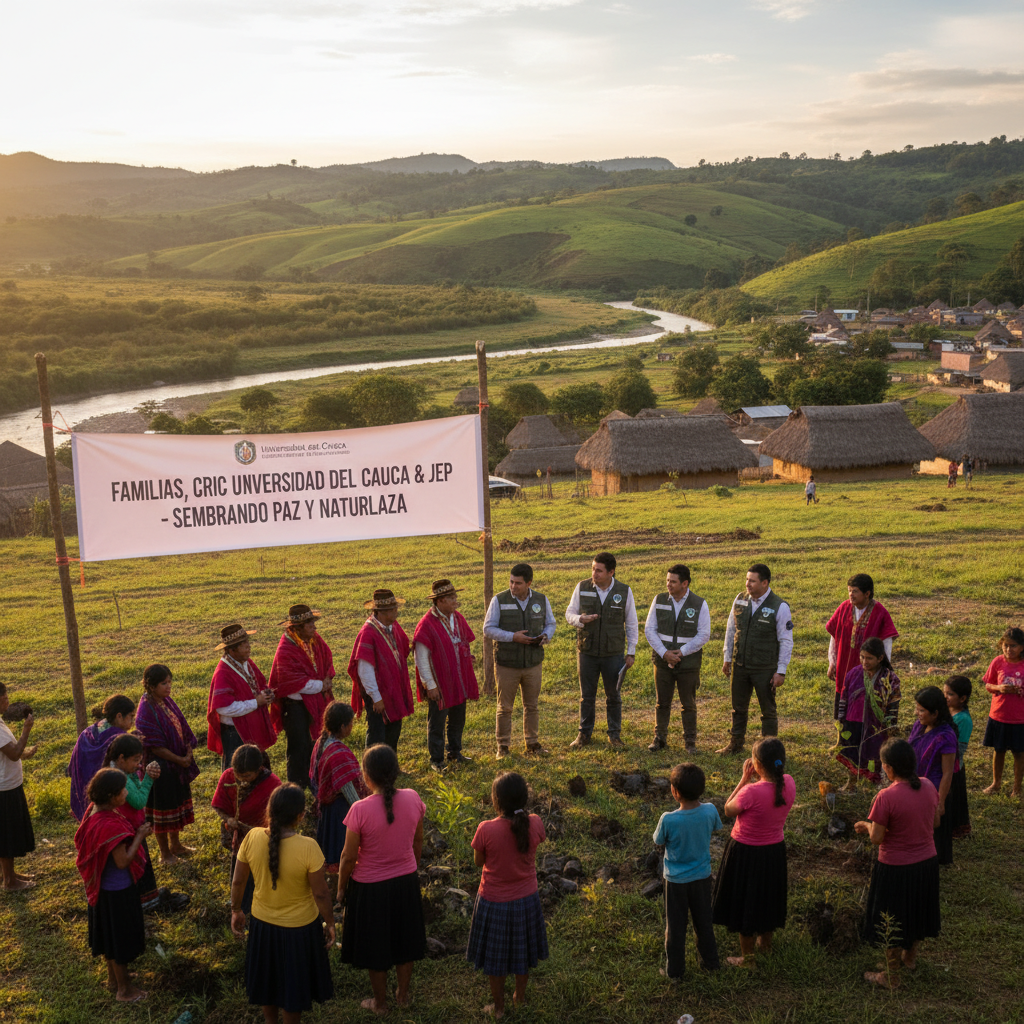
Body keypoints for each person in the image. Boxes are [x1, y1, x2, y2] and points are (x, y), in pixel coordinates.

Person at [231, 783, 335, 1022]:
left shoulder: (252, 837)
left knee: (268, 981)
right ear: (300, 816)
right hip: (300, 931)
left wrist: (236, 910)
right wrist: (330, 922)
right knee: (293, 988)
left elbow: (238, 882)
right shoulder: (308, 847)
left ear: (270, 810)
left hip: (262, 926)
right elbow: (321, 894)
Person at [338, 743, 426, 1015]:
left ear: (366, 777)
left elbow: (348, 858)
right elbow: (418, 839)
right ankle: (402, 995)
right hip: (406, 882)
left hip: (370, 889)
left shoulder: (359, 810)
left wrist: (341, 890)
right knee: (405, 942)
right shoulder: (413, 798)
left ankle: (380, 1003)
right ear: (397, 772)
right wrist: (412, 866)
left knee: (376, 949)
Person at [855, 739, 941, 990]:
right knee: (917, 911)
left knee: (890, 917)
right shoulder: (927, 785)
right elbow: (935, 822)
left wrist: (867, 824)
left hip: (895, 868)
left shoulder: (886, 796)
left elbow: (877, 838)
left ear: (889, 769)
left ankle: (890, 975)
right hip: (926, 864)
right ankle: (910, 958)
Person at [466, 771, 548, 1018]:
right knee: (522, 954)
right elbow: (534, 842)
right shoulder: (535, 822)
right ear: (524, 798)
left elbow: (479, 862)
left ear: (496, 801)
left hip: (494, 902)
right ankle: (519, 998)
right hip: (527, 900)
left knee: (496, 959)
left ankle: (499, 1008)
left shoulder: (486, 829)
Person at [711, 737, 794, 967]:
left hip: (746, 853)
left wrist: (743, 780)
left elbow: (728, 810)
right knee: (768, 898)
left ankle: (747, 958)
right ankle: (765, 944)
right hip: (774, 853)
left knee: (744, 902)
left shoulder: (750, 792)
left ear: (756, 765)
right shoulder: (789, 782)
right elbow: (771, 789)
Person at [73, 768, 151, 1003]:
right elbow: (122, 860)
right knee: (120, 940)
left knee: (109, 938)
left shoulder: (93, 811)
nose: (127, 793)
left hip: (101, 892)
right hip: (117, 890)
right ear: (111, 796)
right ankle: (124, 990)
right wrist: (139, 835)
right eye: (123, 790)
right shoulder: (109, 825)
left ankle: (114, 979)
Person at [654, 763, 721, 981]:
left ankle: (675, 972)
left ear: (675, 792)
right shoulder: (710, 810)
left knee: (675, 928)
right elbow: (716, 827)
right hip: (702, 877)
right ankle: (711, 963)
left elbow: (658, 840)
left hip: (675, 881)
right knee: (703, 922)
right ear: (702, 789)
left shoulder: (668, 819)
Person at [565, 551, 638, 750]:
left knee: (613, 696)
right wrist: (580, 619)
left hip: (613, 653)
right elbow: (569, 613)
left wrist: (630, 652)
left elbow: (631, 623)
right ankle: (584, 734)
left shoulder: (624, 591)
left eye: (599, 570)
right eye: (593, 569)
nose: (594, 574)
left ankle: (614, 735)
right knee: (586, 695)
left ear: (611, 572)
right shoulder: (582, 587)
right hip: (586, 651)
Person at [483, 562, 556, 759]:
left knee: (531, 705)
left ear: (529, 583)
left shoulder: (541, 600)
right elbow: (488, 629)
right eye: (511, 582)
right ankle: (503, 747)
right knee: (505, 707)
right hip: (507, 664)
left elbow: (551, 623)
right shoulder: (499, 600)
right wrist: (512, 636)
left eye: (518, 583)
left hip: (533, 663)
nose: (513, 587)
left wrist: (545, 637)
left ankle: (532, 743)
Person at [718, 564, 793, 755]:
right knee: (738, 708)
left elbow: (785, 640)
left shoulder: (780, 606)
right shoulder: (740, 599)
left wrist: (781, 670)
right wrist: (727, 658)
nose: (747, 584)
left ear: (765, 583)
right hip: (740, 664)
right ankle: (735, 743)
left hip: (765, 668)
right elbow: (731, 630)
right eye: (746, 579)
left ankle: (769, 751)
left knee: (768, 711)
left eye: (752, 580)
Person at [135, 663, 199, 865]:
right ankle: (165, 854)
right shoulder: (146, 709)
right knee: (161, 811)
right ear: (151, 686)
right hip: (158, 768)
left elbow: (181, 726)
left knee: (174, 805)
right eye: (164, 683)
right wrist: (180, 759)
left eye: (170, 682)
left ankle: (176, 845)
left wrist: (186, 751)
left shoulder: (165, 701)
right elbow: (154, 746)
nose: (168, 686)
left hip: (174, 766)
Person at [414, 579, 480, 772]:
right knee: (437, 721)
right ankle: (436, 759)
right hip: (440, 682)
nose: (455, 600)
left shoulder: (456, 617)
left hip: (458, 679)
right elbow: (421, 658)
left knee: (458, 716)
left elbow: (461, 641)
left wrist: (466, 656)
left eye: (455, 596)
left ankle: (454, 751)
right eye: (451, 597)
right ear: (440, 601)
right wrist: (430, 684)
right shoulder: (426, 625)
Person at [644, 564, 711, 752]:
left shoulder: (699, 604)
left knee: (688, 703)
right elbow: (650, 630)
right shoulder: (658, 600)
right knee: (661, 702)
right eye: (667, 581)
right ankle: (659, 739)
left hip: (688, 663)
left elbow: (704, 635)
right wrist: (665, 653)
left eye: (673, 582)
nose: (668, 585)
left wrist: (681, 652)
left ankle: (690, 742)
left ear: (685, 583)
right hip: (663, 662)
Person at [269, 605, 335, 790]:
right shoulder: (286, 650)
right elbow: (293, 683)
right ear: (297, 628)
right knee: (299, 747)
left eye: (313, 622)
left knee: (316, 743)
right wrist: (322, 685)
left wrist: (327, 676)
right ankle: (296, 787)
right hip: (295, 706)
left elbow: (327, 657)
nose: (314, 626)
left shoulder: (314, 640)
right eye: (310, 623)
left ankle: (316, 781)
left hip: (315, 701)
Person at [213, 744, 282, 916]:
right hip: (240, 838)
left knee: (262, 873)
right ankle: (239, 905)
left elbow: (281, 815)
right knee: (240, 874)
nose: (242, 780)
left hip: (264, 839)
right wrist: (228, 819)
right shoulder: (228, 777)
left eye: (247, 776)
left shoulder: (273, 784)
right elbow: (219, 805)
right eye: (239, 775)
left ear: (259, 769)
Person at [348, 590, 415, 752]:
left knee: (395, 726)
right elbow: (365, 670)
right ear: (382, 612)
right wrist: (376, 697)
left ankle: (390, 764)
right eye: (393, 610)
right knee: (377, 730)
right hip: (377, 692)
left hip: (393, 687)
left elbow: (403, 647)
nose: (396, 612)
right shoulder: (368, 633)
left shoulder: (393, 626)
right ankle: (372, 769)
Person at [826, 573, 898, 722]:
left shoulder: (880, 613)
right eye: (849, 590)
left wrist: (882, 670)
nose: (851, 595)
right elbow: (834, 635)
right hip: (844, 669)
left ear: (867, 593)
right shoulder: (843, 608)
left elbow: (887, 643)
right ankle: (841, 741)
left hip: (867, 671)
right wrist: (832, 661)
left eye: (855, 591)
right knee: (842, 709)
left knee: (864, 712)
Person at [105, 733, 165, 912]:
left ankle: (144, 900)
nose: (139, 765)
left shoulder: (122, 771)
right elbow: (138, 801)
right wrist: (149, 778)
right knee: (135, 865)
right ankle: (144, 902)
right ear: (121, 758)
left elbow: (136, 788)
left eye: (141, 760)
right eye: (136, 760)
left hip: (129, 828)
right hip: (128, 831)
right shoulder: (119, 777)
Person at [207, 623, 276, 770]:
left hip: (249, 728)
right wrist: (256, 702)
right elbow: (223, 708)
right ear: (231, 650)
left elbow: (259, 683)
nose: (248, 646)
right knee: (237, 774)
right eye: (243, 644)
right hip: (235, 734)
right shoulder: (223, 673)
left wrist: (267, 694)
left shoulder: (245, 662)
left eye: (247, 642)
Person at [309, 702, 365, 880]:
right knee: (343, 852)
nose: (351, 727)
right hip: (339, 810)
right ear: (342, 726)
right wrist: (362, 810)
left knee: (328, 849)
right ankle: (343, 885)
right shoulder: (338, 753)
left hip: (326, 806)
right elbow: (348, 789)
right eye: (351, 723)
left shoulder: (321, 741)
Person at [835, 637, 901, 789]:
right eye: (862, 657)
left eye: (869, 658)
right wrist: (841, 721)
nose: (864, 661)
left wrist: (890, 726)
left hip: (877, 726)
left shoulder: (890, 679)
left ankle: (876, 786)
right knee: (852, 754)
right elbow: (843, 698)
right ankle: (851, 784)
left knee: (875, 755)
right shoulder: (853, 673)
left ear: (880, 658)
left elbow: (893, 705)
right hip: (853, 722)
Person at [907, 685, 958, 866]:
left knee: (933, 830)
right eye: (917, 709)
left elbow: (947, 773)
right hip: (916, 784)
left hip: (935, 789)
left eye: (922, 710)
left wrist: (941, 801)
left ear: (935, 713)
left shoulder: (946, 736)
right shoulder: (919, 726)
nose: (917, 713)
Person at [67, 695, 136, 822]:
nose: (133, 721)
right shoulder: (119, 739)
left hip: (85, 792)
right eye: (131, 717)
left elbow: (73, 766)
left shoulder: (87, 733)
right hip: (108, 797)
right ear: (119, 716)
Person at [0, 682, 37, 891]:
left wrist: (25, 752)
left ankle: (8, 874)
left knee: (5, 832)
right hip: (5, 788)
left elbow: (10, 751)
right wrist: (26, 730)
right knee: (7, 834)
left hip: (6, 784)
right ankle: (10, 882)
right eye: (5, 697)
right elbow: (13, 754)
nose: (8, 700)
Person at [981, 626, 1024, 799]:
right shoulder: (998, 662)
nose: (1008, 649)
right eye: (1005, 645)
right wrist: (999, 688)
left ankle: (1017, 788)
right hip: (998, 715)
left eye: (1013, 646)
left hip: (1019, 718)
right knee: (998, 751)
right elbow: (988, 684)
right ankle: (996, 783)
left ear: (1022, 647)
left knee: (1019, 753)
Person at [944, 675, 973, 839]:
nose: (945, 697)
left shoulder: (963, 719)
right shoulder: (948, 710)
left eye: (950, 694)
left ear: (962, 698)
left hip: (953, 765)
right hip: (945, 762)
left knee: (954, 798)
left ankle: (956, 829)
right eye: (945, 693)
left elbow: (959, 749)